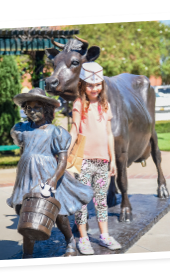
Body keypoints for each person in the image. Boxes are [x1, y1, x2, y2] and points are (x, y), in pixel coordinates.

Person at [7, 88, 93, 258]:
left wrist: (53, 179)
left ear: (46, 109)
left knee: (59, 214)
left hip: (48, 176)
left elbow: (62, 160)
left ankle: (70, 241)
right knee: (27, 214)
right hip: (26, 177)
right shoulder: (22, 130)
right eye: (29, 108)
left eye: (37, 107)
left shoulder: (56, 132)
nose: (32, 111)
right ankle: (27, 255)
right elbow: (23, 149)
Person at [70, 62, 121, 254]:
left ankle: (104, 236)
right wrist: (68, 151)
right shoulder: (78, 104)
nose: (94, 88)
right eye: (90, 85)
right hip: (83, 161)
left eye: (98, 84)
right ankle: (83, 239)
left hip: (102, 162)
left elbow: (109, 134)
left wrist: (112, 160)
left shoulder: (104, 104)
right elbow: (75, 129)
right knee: (82, 202)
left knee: (101, 200)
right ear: (82, 85)